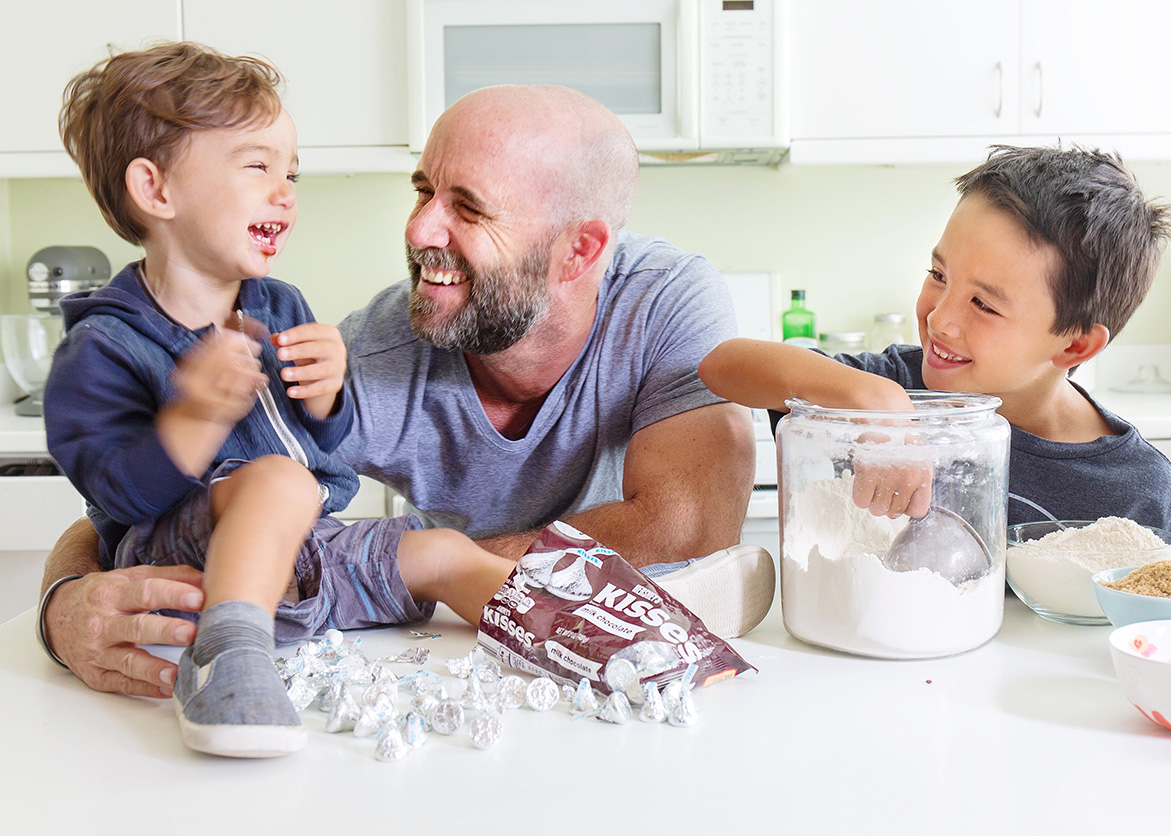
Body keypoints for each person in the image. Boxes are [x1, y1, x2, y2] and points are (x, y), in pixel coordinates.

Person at [38, 82, 771, 699]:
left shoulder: (664, 301)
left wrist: (430, 564)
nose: (421, 229)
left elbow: (685, 525)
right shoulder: (375, 354)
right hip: (476, 662)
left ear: (578, 251)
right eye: (423, 190)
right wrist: (64, 603)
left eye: (469, 207)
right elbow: (159, 501)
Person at [44, 42, 519, 757]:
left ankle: (582, 631)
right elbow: (117, 497)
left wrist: (331, 397)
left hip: (301, 551)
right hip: (184, 569)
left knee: (442, 551)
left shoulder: (280, 303)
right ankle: (225, 658)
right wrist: (193, 422)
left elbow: (322, 450)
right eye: (257, 165)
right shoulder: (106, 345)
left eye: (291, 171)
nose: (287, 191)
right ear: (156, 190)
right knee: (271, 480)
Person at [699, 145, 1171, 552]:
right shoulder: (897, 387)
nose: (940, 319)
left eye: (983, 304)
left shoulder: (1140, 495)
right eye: (939, 275)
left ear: (1076, 344)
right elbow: (723, 365)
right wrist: (880, 407)